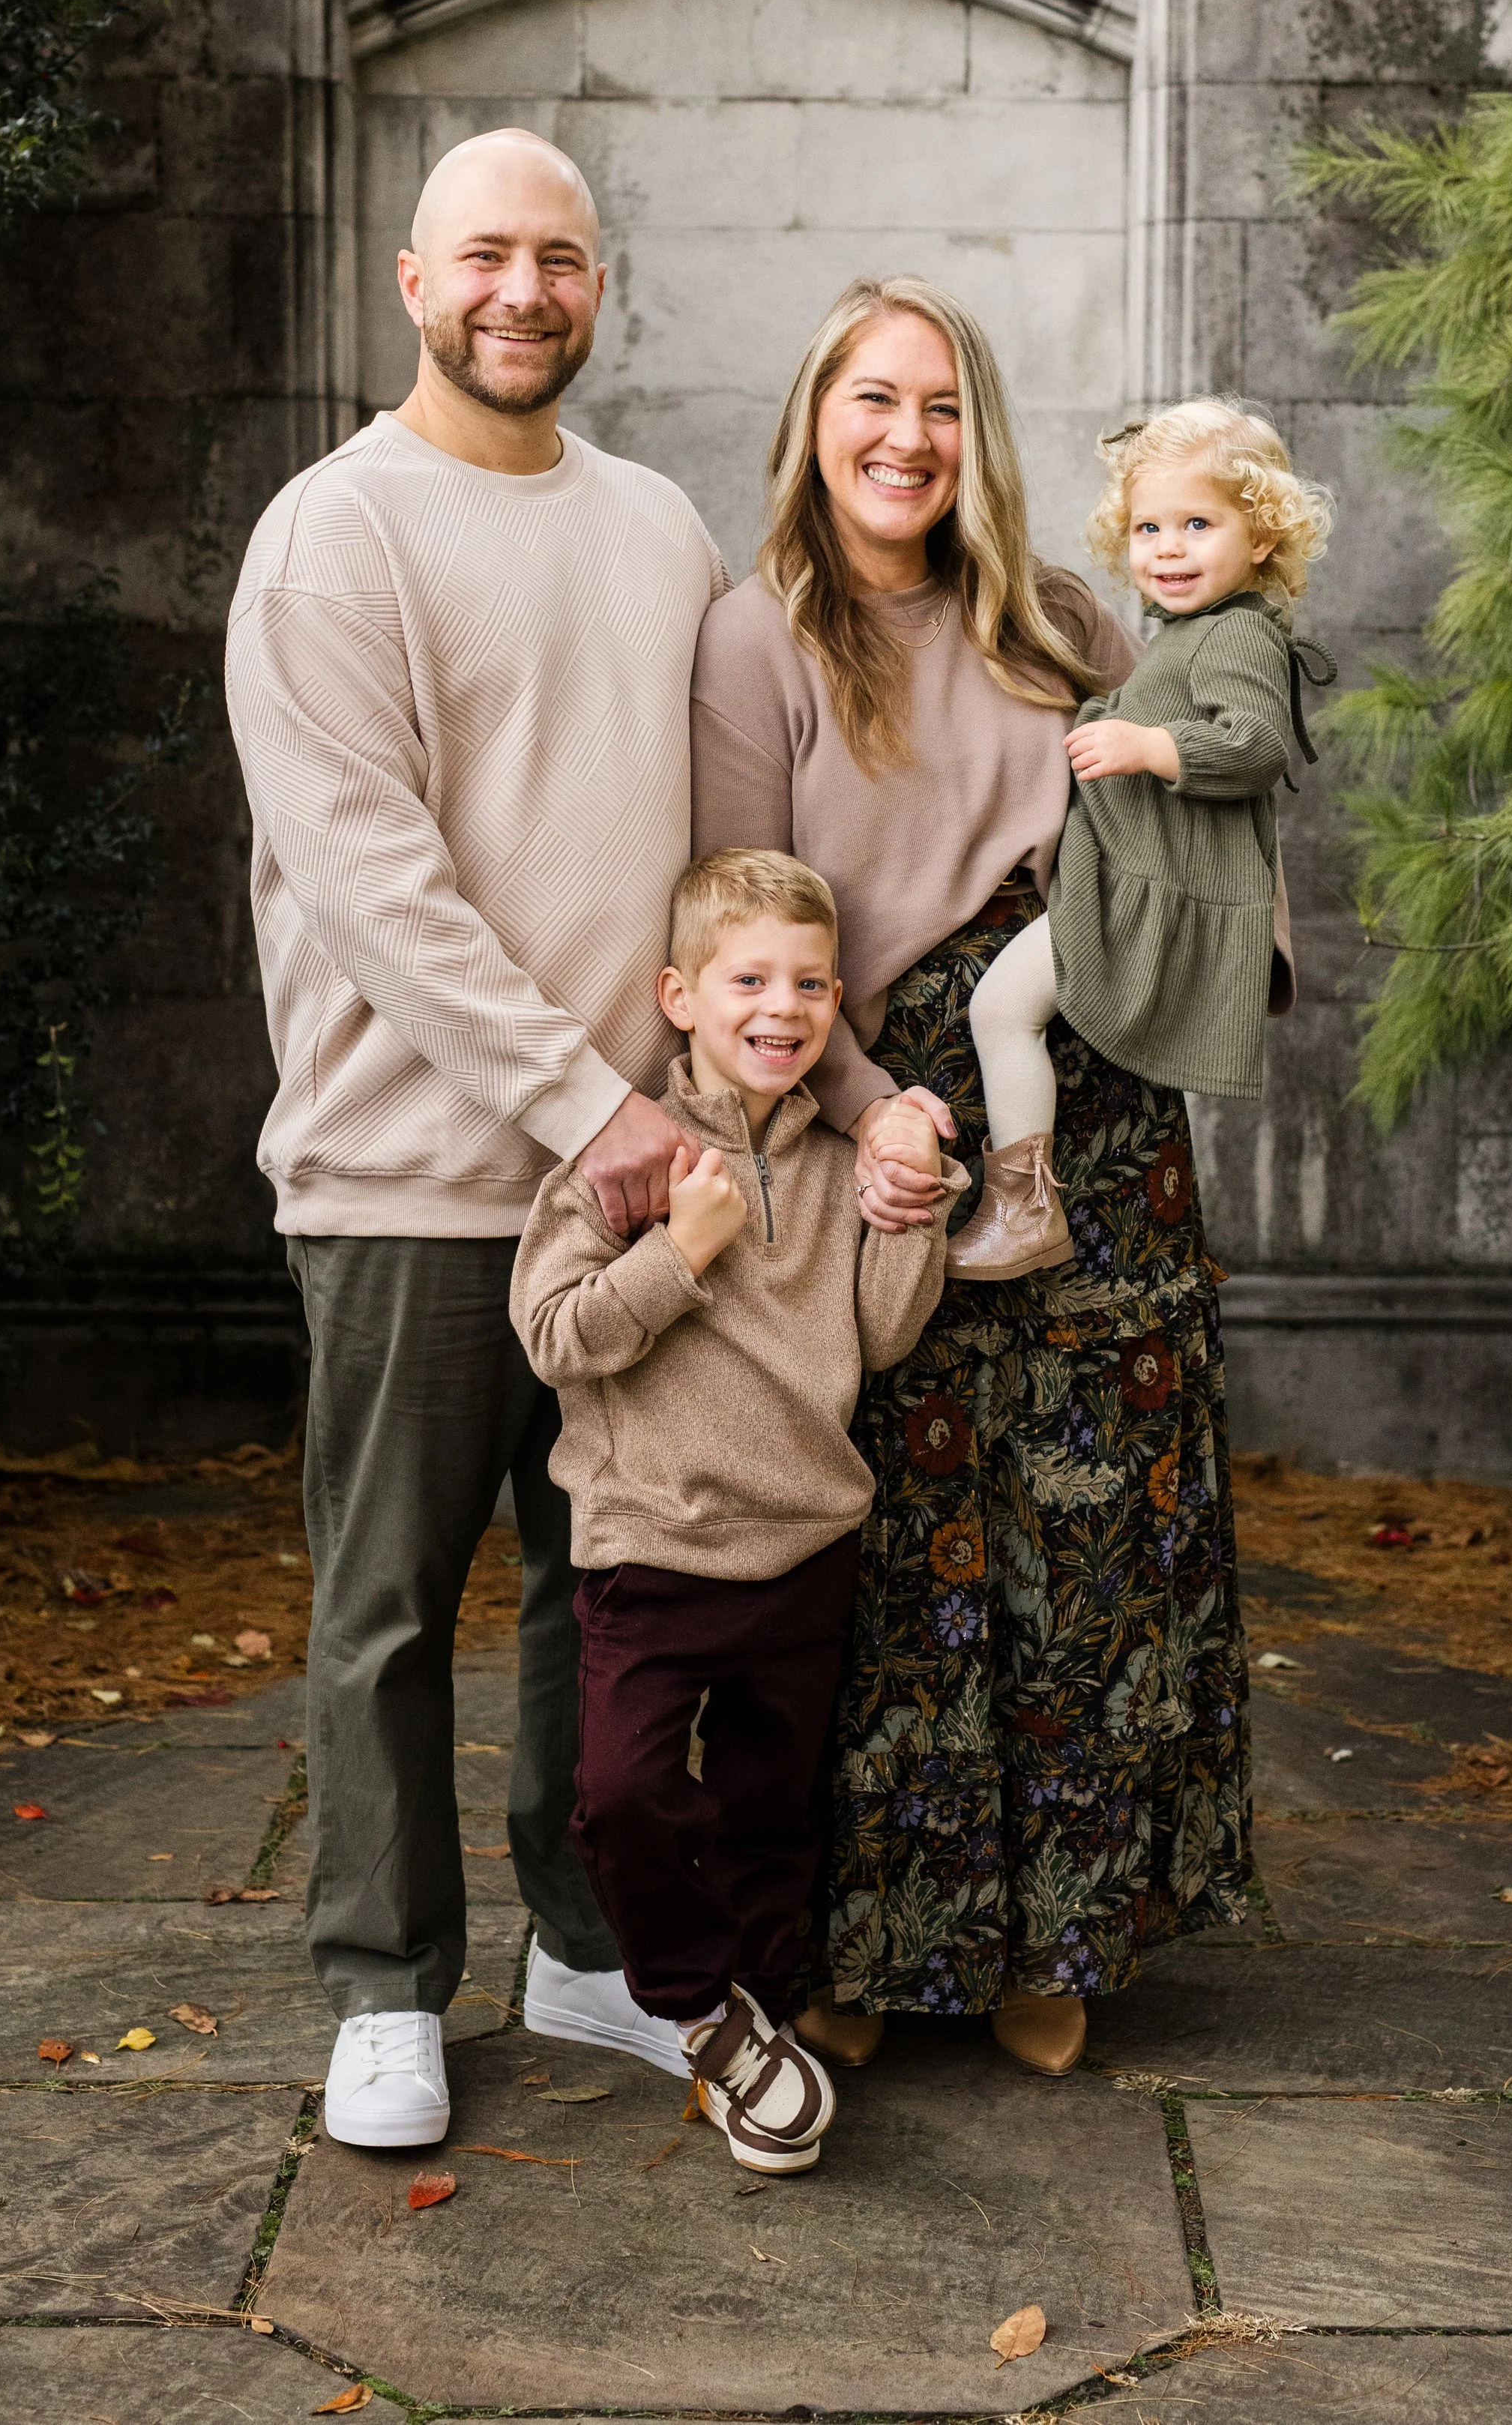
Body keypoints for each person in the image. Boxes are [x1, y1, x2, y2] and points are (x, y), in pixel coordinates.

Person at [691, 276, 1265, 2079]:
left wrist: (1229, 956)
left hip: (1093, 1111)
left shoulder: (1072, 617)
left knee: (1092, 1529)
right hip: (903, 1121)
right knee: (898, 1534)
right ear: (818, 417)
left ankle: (1063, 1931)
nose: (908, 437)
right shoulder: (752, 637)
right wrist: (863, 1105)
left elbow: (1202, 814)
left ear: (976, 434)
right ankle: (880, 1935)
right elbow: (743, 908)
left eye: (942, 405)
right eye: (875, 397)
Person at [226, 128, 729, 2150]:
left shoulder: (660, 526)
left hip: (631, 1188)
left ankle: (587, 1948)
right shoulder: (332, 535)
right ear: (415, 282)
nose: (527, 292)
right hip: (415, 1177)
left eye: (566, 260)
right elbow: (374, 883)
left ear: (598, 291)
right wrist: (591, 1103)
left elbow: (722, 823)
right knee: (388, 1600)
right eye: (489, 257)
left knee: (602, 1590)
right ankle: (381, 1981)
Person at [508, 849, 960, 2172]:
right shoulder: (624, 1157)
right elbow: (553, 1338)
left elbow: (879, 1338)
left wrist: (911, 1212)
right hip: (653, 1547)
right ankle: (698, 2010)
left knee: (774, 1809)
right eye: (750, 979)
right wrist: (678, 1254)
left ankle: (761, 2024)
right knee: (626, 1794)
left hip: (806, 1548)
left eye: (812, 983)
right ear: (682, 997)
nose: (785, 1006)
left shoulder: (837, 1158)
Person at [951, 399, 1331, 1280]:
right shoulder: (1191, 633)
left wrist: (1151, 745)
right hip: (1127, 876)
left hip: (1144, 894)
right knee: (1007, 1010)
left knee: (1000, 1009)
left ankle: (1023, 1209)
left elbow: (1256, 744)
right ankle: (1027, 1200)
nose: (1166, 547)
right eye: (1147, 526)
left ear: (1263, 538)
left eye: (1198, 524)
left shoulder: (1236, 635)